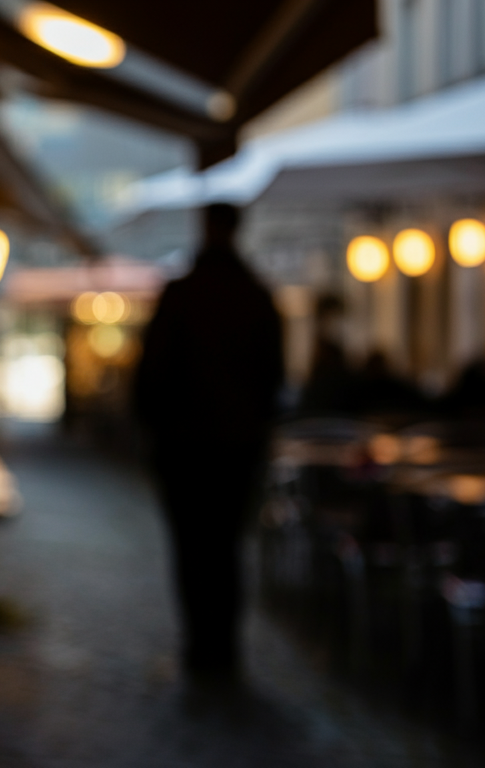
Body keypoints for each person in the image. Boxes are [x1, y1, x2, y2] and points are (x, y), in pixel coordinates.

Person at [133, 203, 283, 681]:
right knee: (227, 547)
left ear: (207, 229)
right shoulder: (257, 298)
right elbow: (273, 379)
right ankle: (226, 649)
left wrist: (151, 427)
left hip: (183, 448)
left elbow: (151, 376)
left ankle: (200, 647)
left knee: (192, 548)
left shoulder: (182, 295)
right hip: (238, 447)